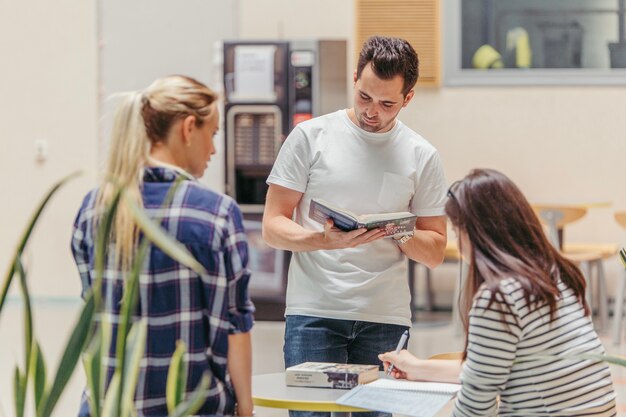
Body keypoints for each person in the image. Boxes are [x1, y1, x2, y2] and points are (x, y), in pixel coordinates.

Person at [262, 35, 448, 415]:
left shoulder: (421, 155)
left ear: (408, 99)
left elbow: (435, 252)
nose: (371, 112)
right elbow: (272, 225)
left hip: (384, 315)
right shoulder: (310, 138)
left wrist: (399, 230)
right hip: (313, 312)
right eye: (365, 97)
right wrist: (323, 240)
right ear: (354, 80)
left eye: (386, 103)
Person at [71, 75, 255, 416]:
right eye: (212, 134)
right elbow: (234, 327)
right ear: (188, 129)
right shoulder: (217, 214)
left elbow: (93, 313)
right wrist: (246, 408)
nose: (213, 149)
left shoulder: (94, 208)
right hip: (192, 408)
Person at [379, 168, 617, 416]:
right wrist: (418, 368)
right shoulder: (555, 273)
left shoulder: (499, 297)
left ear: (474, 234)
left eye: (457, 232)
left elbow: (475, 408)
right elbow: (486, 370)